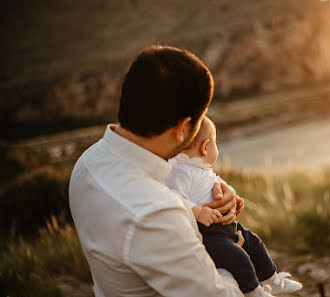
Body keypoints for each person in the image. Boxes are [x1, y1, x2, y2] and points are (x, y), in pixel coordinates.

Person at [69, 45, 256, 297]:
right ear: (182, 128)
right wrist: (235, 258)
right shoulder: (156, 214)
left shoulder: (88, 163)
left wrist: (206, 200)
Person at [165, 117, 303, 296]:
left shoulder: (200, 168)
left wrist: (233, 195)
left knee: (254, 242)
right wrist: (197, 211)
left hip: (225, 226)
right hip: (208, 233)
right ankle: (254, 291)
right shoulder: (181, 171)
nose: (217, 149)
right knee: (237, 256)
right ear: (205, 147)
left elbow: (217, 182)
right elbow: (175, 197)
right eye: (216, 144)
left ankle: (271, 279)